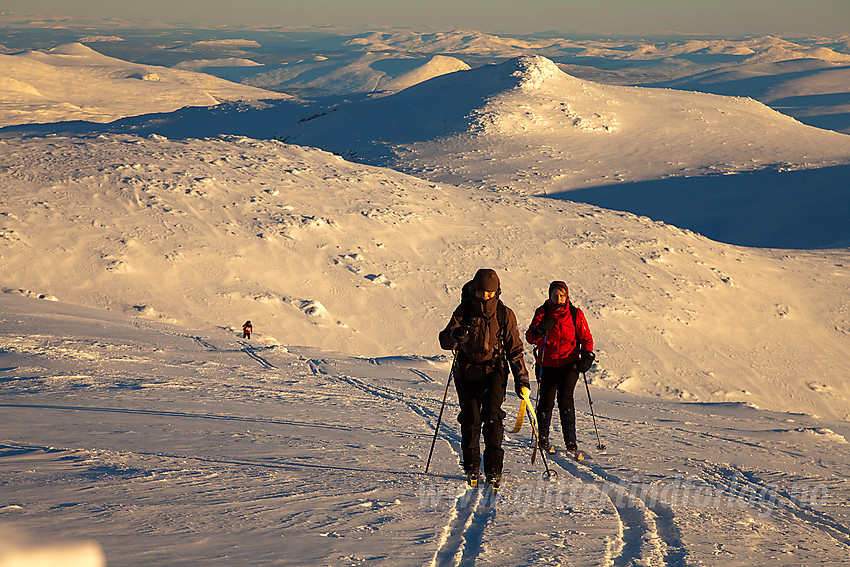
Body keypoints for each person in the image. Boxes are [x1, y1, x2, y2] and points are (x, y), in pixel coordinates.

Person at [439, 268, 529, 486]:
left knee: (492, 415)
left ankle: (493, 469)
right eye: (481, 292)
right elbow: (443, 339)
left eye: (489, 292)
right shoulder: (464, 309)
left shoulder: (504, 313)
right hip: (466, 371)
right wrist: (454, 336)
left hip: (494, 369)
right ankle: (471, 466)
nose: (485, 296)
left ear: (497, 291)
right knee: (471, 417)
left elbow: (514, 348)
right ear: (474, 291)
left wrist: (521, 378)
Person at [526, 281, 595, 456]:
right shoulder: (542, 312)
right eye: (555, 295)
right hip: (547, 364)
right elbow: (530, 338)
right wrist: (540, 329)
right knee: (546, 401)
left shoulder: (575, 314)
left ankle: (570, 440)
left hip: (568, 363)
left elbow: (586, 337)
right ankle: (543, 437)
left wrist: (587, 356)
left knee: (565, 399)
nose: (558, 299)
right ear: (549, 296)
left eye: (561, 295)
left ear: (567, 296)